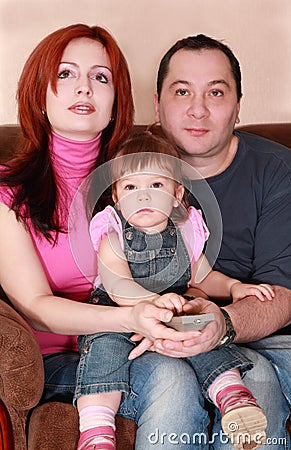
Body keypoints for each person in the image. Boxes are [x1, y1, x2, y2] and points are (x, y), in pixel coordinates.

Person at [0, 24, 220, 450]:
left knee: (188, 365)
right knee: (170, 374)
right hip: (63, 360)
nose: (84, 88)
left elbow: (178, 265)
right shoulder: (9, 193)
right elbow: (38, 309)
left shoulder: (145, 179)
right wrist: (131, 318)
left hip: (144, 336)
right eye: (65, 74)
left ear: (116, 99)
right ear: (38, 94)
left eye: (100, 78)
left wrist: (184, 308)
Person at [74, 131, 273, 449]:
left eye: (156, 185)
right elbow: (119, 286)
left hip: (174, 311)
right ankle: (97, 431)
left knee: (203, 332)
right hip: (118, 316)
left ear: (178, 193)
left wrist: (236, 287)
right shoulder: (113, 235)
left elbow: (204, 277)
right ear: (115, 195)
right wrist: (156, 303)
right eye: (130, 187)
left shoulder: (185, 230)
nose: (143, 196)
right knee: (103, 353)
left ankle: (233, 396)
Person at [153, 33, 291, 445]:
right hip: (159, 336)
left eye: (216, 91)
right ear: (158, 106)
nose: (198, 109)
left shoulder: (276, 171)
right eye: (182, 92)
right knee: (173, 386)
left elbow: (282, 296)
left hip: (263, 339)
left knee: (258, 379)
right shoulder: (129, 170)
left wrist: (221, 323)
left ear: (237, 105)